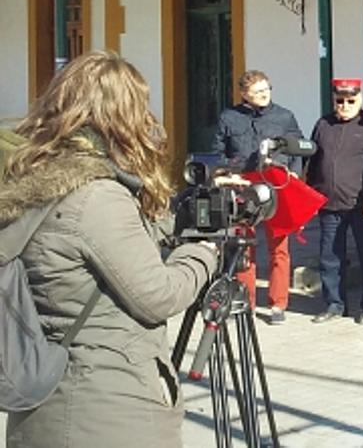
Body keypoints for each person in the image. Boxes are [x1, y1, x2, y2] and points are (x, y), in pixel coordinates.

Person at [0, 50, 218, 448]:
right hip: (107, 408)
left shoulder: (37, 180)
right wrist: (203, 250)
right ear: (120, 115)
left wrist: (175, 218)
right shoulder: (96, 196)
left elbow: (99, 249)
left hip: (45, 405)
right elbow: (157, 295)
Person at [213, 69, 303, 324]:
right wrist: (228, 171)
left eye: (267, 90)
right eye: (257, 92)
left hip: (276, 188)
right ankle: (246, 302)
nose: (264, 95)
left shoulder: (285, 117)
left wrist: (294, 174)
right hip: (243, 187)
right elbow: (217, 152)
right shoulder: (229, 117)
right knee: (243, 249)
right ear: (244, 95)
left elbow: (297, 150)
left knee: (279, 248)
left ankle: (278, 304)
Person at [306, 78, 363, 325]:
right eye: (339, 101)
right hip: (329, 204)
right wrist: (311, 193)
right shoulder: (323, 124)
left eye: (350, 101)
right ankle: (334, 304)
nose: (344, 105)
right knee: (330, 258)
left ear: (360, 99)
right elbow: (313, 162)